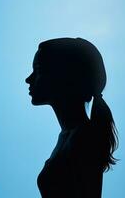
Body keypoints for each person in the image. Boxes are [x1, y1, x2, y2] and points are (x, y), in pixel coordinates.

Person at [26, 38, 118, 198]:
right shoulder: (70, 136)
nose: (28, 79)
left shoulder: (83, 138)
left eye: (38, 70)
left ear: (63, 76)